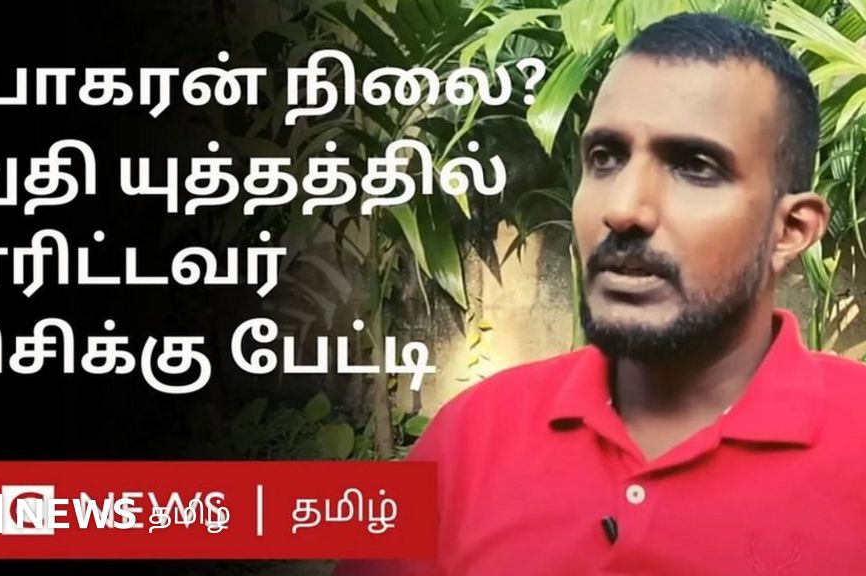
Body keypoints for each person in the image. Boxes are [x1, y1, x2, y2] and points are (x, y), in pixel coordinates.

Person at [334, 12, 866, 576]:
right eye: (605, 158)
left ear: (790, 231)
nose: (623, 208)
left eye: (695, 167)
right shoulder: (470, 434)